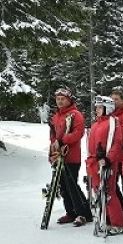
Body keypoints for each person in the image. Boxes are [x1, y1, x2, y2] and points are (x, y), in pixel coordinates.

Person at [49, 88, 92, 226]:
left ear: (69, 100)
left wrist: (63, 141)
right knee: (62, 186)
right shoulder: (56, 116)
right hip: (58, 155)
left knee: (72, 185)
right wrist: (52, 150)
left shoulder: (75, 114)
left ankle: (83, 213)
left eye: (63, 99)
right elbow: (53, 135)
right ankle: (71, 212)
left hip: (71, 156)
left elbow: (79, 133)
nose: (60, 101)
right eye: (58, 99)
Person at [85, 95, 123, 236]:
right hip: (94, 163)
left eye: (100, 108)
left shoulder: (113, 122)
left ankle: (118, 223)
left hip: (106, 163)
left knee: (109, 192)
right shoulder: (96, 123)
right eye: (96, 107)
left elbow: (117, 142)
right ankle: (106, 219)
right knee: (98, 192)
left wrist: (108, 159)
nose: (97, 110)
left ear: (107, 108)